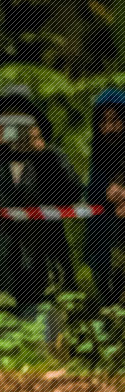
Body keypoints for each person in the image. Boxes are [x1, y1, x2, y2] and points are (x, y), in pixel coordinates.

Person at [0, 84, 80, 319]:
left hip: (44, 268)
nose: (13, 130)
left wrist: (41, 153)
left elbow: (71, 195)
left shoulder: (50, 157)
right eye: (6, 122)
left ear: (35, 124)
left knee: (47, 335)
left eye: (21, 122)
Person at [81, 89, 125, 304]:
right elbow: (92, 196)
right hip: (105, 244)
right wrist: (106, 194)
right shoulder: (100, 154)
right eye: (103, 122)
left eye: (115, 120)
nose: (109, 128)